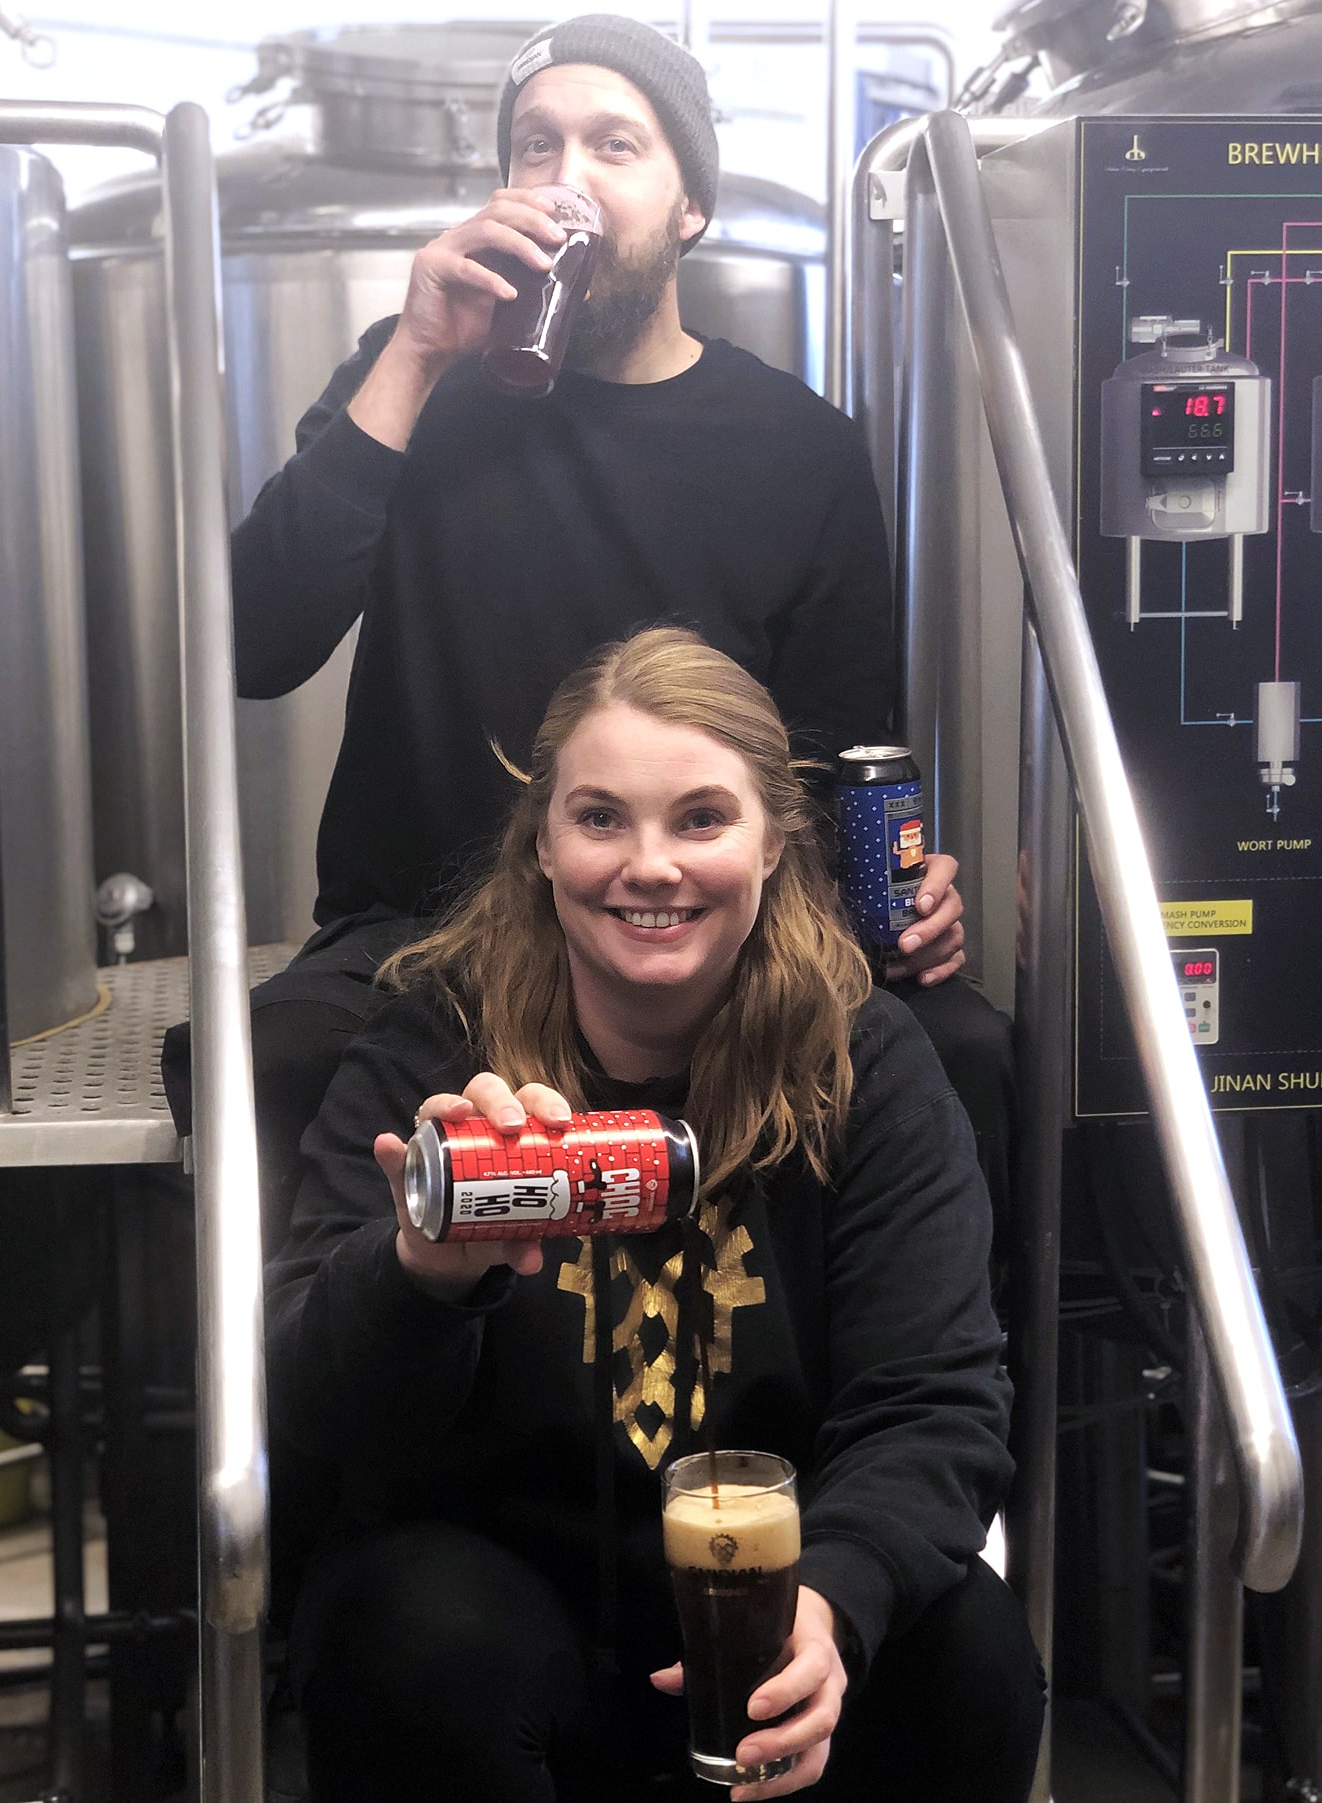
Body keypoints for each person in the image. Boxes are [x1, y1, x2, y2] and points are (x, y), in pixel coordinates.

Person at [162, 13, 1014, 1254]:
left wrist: (902, 893)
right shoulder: (413, 385)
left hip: (701, 930)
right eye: (534, 146)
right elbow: (251, 646)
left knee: (962, 1050)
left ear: (689, 205)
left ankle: (879, 1377)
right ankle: (340, 1373)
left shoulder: (796, 446)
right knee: (267, 1059)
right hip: (427, 938)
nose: (564, 177)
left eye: (615, 145)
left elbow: (831, 754)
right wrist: (413, 352)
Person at [268, 628, 1041, 1802]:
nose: (649, 866)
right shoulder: (432, 1045)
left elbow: (933, 1404)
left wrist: (831, 1602)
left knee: (969, 1652)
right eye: (599, 818)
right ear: (540, 843)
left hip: (765, 1593)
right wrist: (417, 1277)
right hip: (500, 1600)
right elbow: (308, 1409)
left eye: (699, 819)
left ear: (772, 842)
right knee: (416, 1640)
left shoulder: (865, 1062)